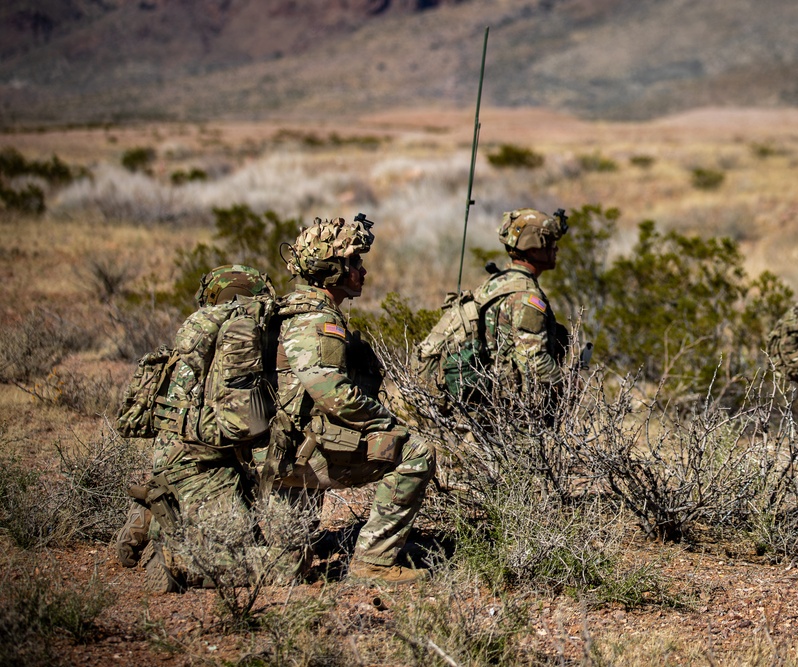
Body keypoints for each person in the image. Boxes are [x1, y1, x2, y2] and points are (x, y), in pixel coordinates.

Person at [260, 215, 435, 585]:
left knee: (285, 574)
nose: (362, 271)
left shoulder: (288, 309)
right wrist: (387, 423)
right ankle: (374, 562)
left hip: (279, 451)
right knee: (416, 452)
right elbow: (331, 392)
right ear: (331, 268)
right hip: (302, 456)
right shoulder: (319, 319)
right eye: (354, 262)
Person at [114, 264, 277, 593]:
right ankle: (175, 561)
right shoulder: (236, 343)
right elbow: (240, 424)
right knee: (263, 565)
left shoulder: (196, 341)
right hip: (202, 464)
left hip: (169, 458)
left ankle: (148, 520)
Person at [476, 208, 568, 397]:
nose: (556, 249)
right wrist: (567, 387)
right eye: (550, 243)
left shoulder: (498, 282)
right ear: (533, 247)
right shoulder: (526, 297)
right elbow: (533, 359)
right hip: (509, 408)